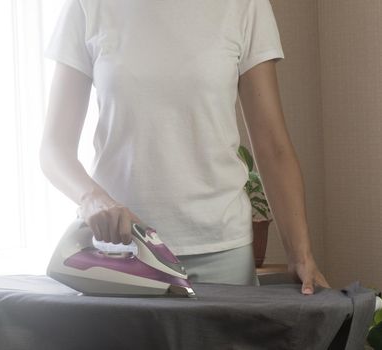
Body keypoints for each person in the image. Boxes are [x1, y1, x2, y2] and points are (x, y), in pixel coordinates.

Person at [39, 0, 329, 294]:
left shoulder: (245, 5)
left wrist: (300, 254)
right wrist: (93, 199)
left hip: (222, 253)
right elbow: (54, 148)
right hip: (121, 255)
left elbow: (272, 145)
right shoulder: (87, 6)